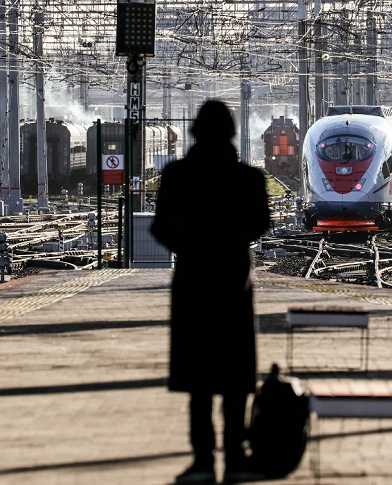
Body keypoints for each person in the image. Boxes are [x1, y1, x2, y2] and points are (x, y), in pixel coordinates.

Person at [151, 99, 271, 485]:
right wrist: (229, 242)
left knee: (198, 380)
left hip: (192, 283)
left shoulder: (176, 176)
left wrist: (188, 246)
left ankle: (202, 460)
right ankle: (235, 456)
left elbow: (159, 227)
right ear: (232, 133)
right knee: (235, 380)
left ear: (195, 133)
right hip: (234, 282)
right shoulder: (249, 179)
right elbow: (260, 224)